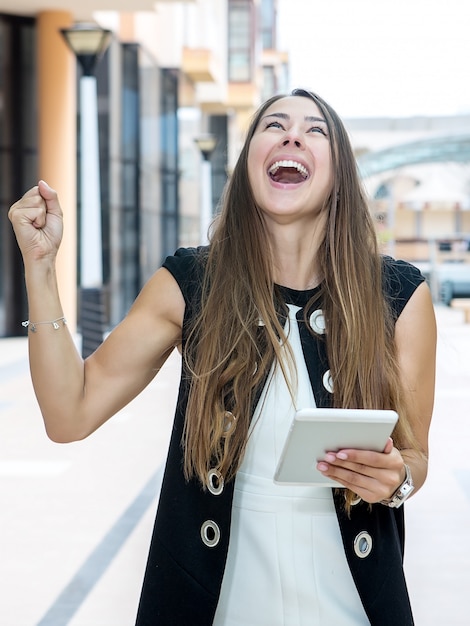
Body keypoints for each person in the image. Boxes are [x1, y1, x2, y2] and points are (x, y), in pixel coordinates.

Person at [9, 88, 436, 626]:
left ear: (340, 174)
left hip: (350, 605)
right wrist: (40, 269)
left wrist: (394, 479)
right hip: (223, 605)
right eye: (273, 125)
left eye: (315, 130)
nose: (291, 135)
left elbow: (416, 457)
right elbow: (69, 414)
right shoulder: (191, 283)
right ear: (249, 161)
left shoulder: (399, 295)